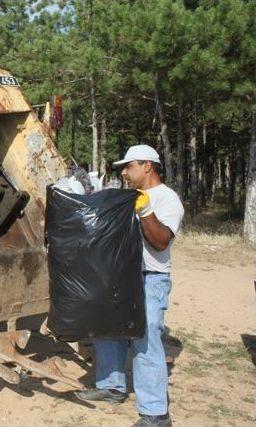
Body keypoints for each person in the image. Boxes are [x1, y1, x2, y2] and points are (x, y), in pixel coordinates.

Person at [76, 145, 184, 427]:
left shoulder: (166, 199)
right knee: (107, 327)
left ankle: (156, 414)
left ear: (147, 166)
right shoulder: (129, 197)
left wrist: (146, 210)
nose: (124, 172)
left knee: (145, 340)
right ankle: (112, 386)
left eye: (129, 166)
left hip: (150, 278)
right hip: (121, 276)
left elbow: (160, 242)